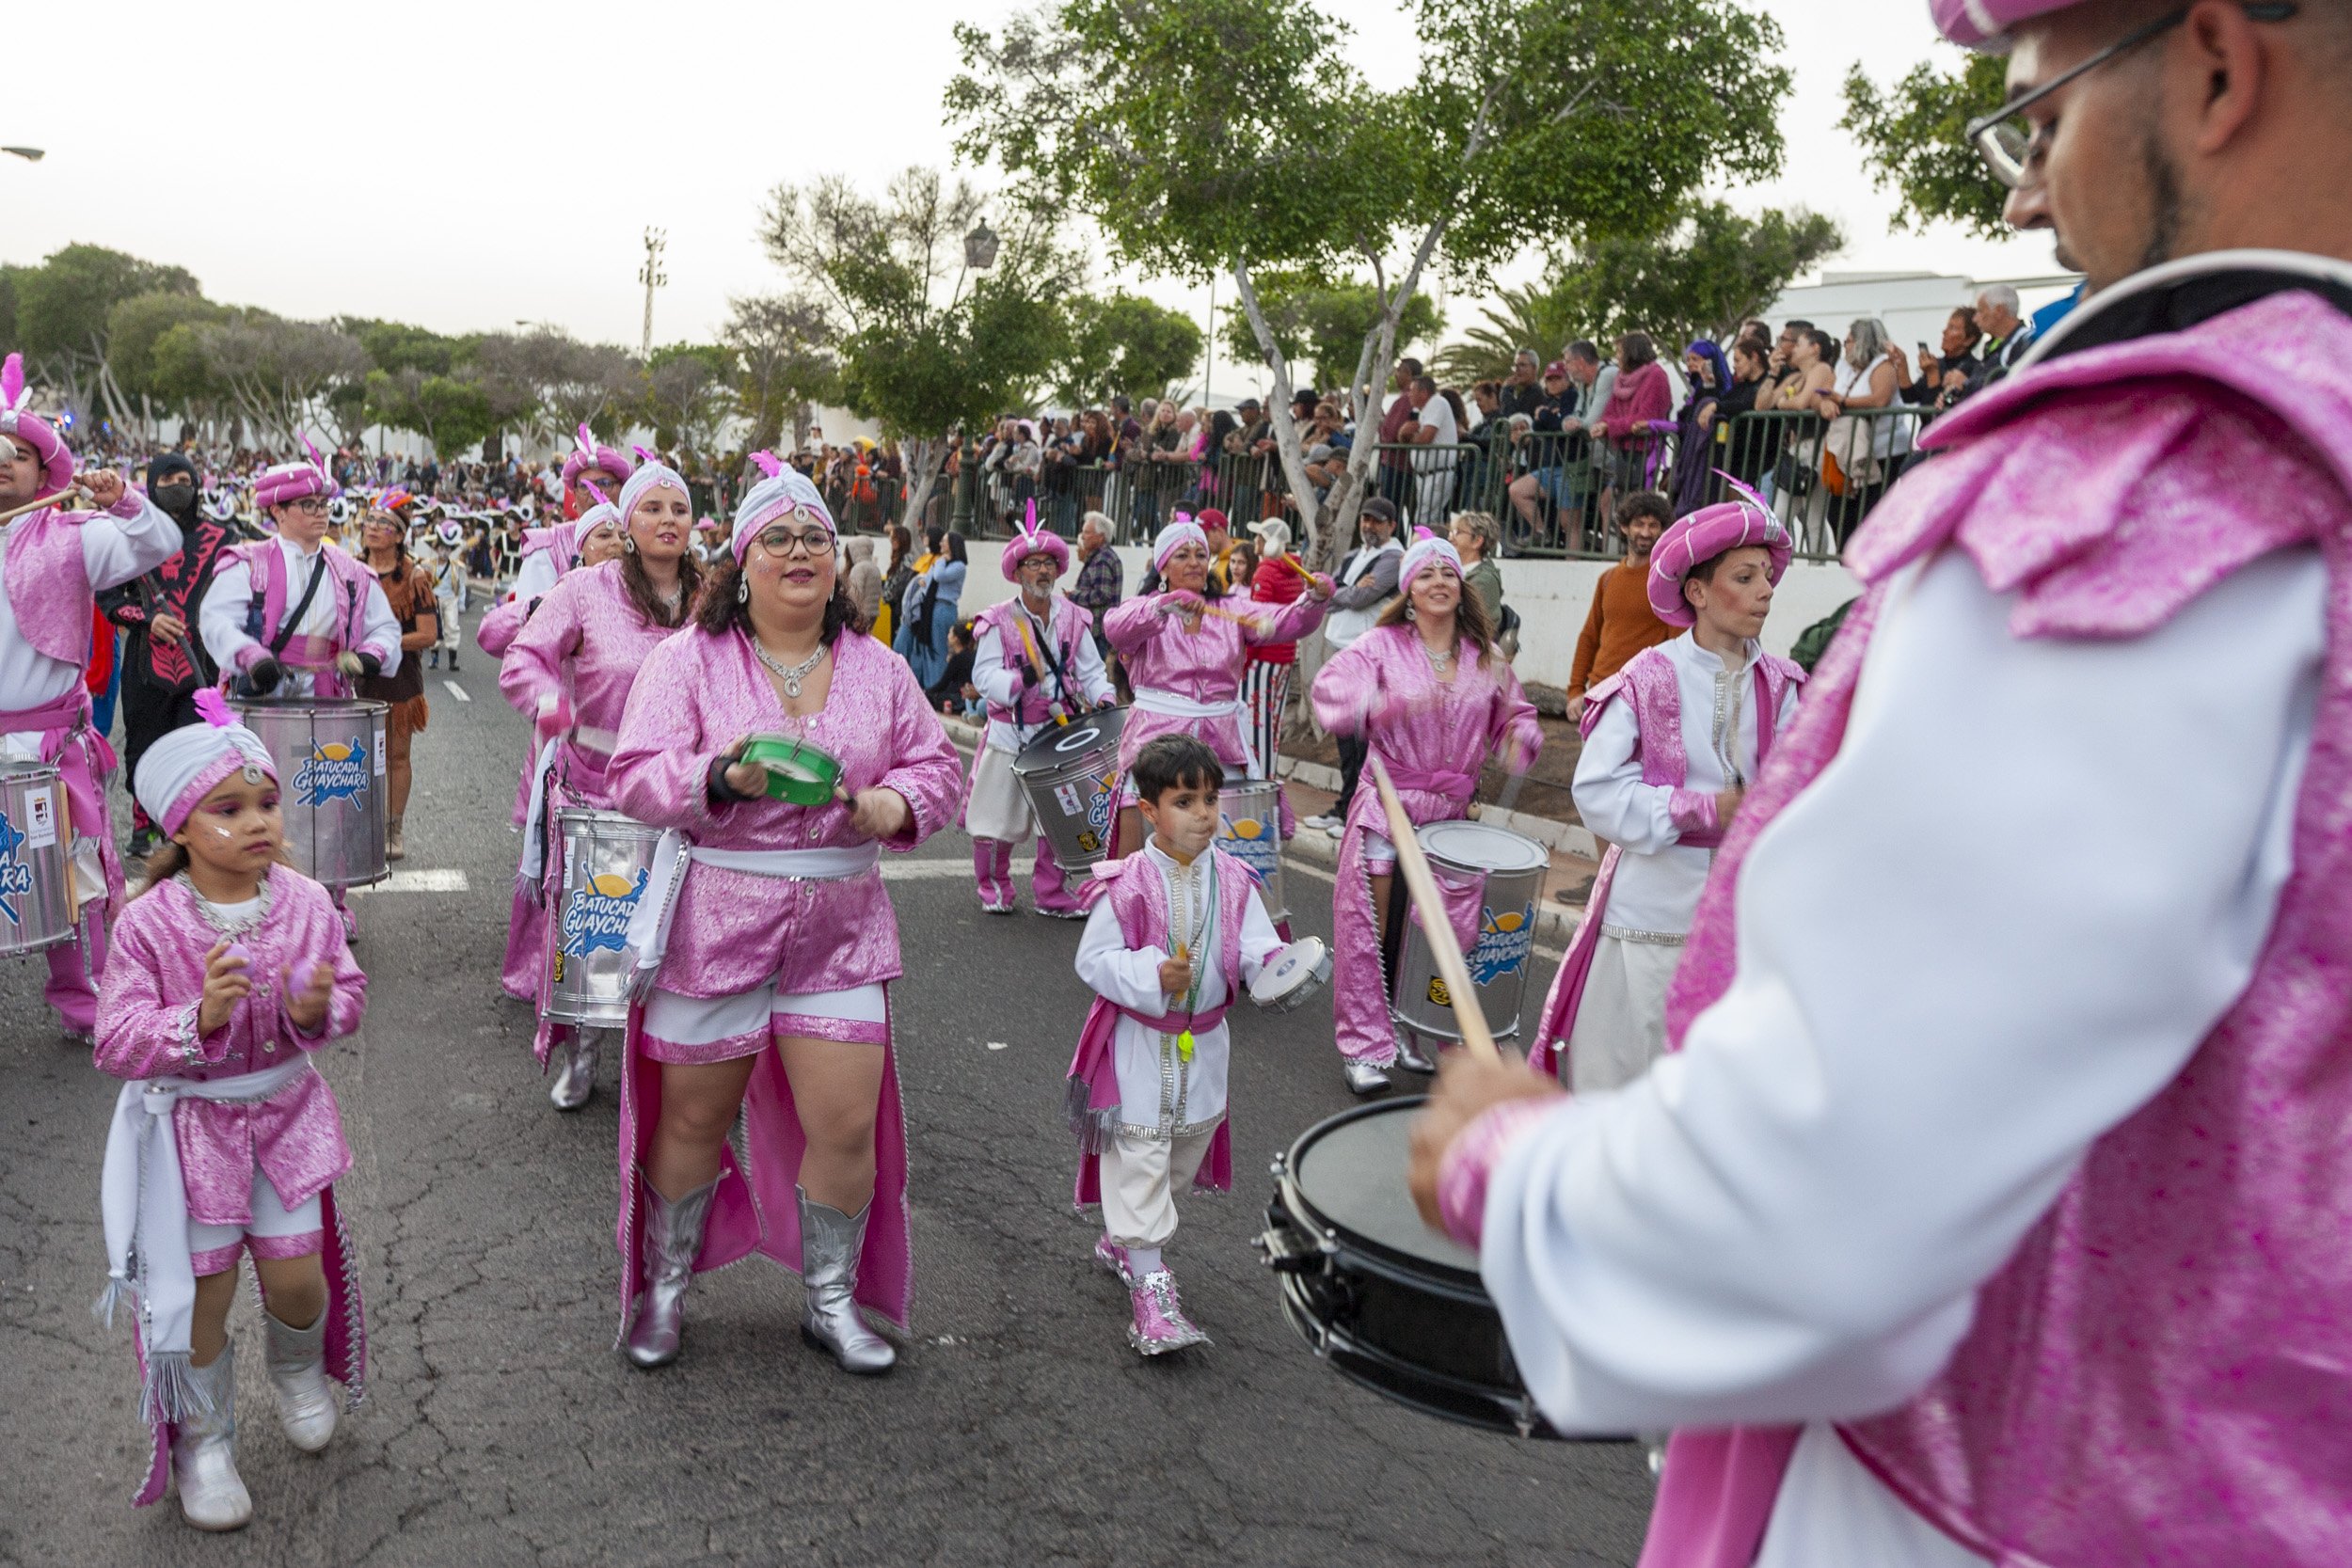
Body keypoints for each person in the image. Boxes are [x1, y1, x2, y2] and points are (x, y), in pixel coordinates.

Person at [1409, 0, 2352, 1559]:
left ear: (2215, 65)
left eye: (2040, 119)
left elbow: (1821, 1205)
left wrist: (1522, 1174)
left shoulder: (2145, 495)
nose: (2024, 197)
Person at [605, 457, 964, 1374]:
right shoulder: (686, 658)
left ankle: (832, 1299)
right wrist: (714, 777)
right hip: (716, 921)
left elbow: (937, 767)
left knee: (845, 1125)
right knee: (690, 1119)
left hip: (842, 929)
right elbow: (635, 773)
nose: (799, 550)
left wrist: (896, 803)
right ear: (742, 558)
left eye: (815, 537)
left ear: (835, 564)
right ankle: (668, 1286)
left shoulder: (878, 667)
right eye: (778, 536)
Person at [94, 699, 369, 1528]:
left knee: (296, 1277)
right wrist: (198, 1019)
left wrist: (319, 1004)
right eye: (229, 808)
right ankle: (204, 1441)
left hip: (286, 1117)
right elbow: (115, 1040)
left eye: (267, 803)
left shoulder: (309, 900)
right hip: (191, 1140)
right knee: (203, 1295)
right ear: (180, 825)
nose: (257, 822)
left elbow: (347, 994)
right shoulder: (145, 924)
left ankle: (294, 1370)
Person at [1532, 498, 1803, 1093]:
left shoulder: (1784, 686)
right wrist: (1704, 809)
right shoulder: (1646, 678)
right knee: (1638, 1071)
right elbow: (1599, 791)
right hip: (1652, 909)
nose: (1765, 591)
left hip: (1746, 909)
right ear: (1698, 593)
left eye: (1767, 577)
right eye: (1744, 576)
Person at [1067, 734, 1287, 1353]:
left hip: (1205, 1049)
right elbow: (1095, 960)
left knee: (1177, 1160)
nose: (1204, 813)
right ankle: (1152, 1299)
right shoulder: (1129, 883)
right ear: (1149, 810)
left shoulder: (1237, 879)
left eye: (1211, 799)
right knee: (1141, 1156)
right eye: (1185, 800)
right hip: (1141, 1045)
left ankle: (1124, 1241)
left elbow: (1255, 947)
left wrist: (1278, 967)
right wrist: (1149, 976)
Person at [497, 462, 700, 1109]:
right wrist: (551, 702)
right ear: (629, 524)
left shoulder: (716, 597)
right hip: (595, 785)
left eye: (679, 508)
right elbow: (523, 656)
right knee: (596, 924)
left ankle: (675, 1060)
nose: (668, 519)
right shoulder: (586, 589)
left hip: (685, 791)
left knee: (680, 929)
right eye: (653, 509)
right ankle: (583, 1052)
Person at [1310, 531, 1541, 1094]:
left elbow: (1516, 715)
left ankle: (1414, 1027)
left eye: (1448, 574)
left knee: (1437, 934)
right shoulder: (1380, 646)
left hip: (1450, 820)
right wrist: (1376, 702)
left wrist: (1519, 737)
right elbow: (1330, 690)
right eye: (1426, 574)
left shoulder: (1484, 658)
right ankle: (1364, 1046)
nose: (1439, 582)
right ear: (1409, 590)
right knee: (1374, 930)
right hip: (1387, 806)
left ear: (1462, 590)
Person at [0, 355, 182, 1036]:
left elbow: (160, 541)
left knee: (71, 878)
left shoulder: (74, 538)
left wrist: (127, 501)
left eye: (18, 454)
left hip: (46, 741)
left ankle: (86, 1000)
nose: (4, 463)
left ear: (45, 473)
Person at [1102, 515, 1331, 859]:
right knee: (1135, 810)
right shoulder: (1145, 609)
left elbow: (1286, 621)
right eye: (1182, 555)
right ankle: (1132, 902)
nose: (1194, 561)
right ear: (1162, 568)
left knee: (1232, 829)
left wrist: (1313, 599)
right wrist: (1164, 606)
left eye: (1199, 554)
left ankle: (1227, 902)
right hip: (1156, 736)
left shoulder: (1229, 608)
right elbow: (1115, 628)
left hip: (1221, 737)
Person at [964, 506, 1117, 915]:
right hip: (1010, 734)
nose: (1042, 571)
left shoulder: (1072, 617)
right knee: (997, 821)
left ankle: (1052, 893)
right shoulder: (998, 620)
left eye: (1049, 562)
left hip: (1059, 734)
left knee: (1062, 819)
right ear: (1018, 573)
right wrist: (1015, 685)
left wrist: (1104, 696)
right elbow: (983, 675)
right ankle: (993, 886)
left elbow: (1090, 671)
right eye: (1033, 564)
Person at [102, 451, 234, 862]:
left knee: (197, 748)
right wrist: (147, 619)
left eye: (184, 477)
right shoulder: (131, 536)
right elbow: (107, 596)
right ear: (151, 485)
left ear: (196, 484)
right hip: (145, 664)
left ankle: (188, 829)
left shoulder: (221, 537)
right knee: (144, 746)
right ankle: (143, 826)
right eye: (167, 479)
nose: (176, 485)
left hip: (203, 663)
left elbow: (238, 591)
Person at [1302, 498, 1404, 835]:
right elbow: (1324, 591)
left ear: (1391, 525)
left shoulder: (1393, 558)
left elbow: (1358, 598)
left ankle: (1357, 813)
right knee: (1346, 738)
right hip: (1342, 651)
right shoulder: (1352, 557)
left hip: (1370, 658)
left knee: (1363, 740)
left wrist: (1338, 592)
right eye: (1365, 520)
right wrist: (1340, 591)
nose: (1369, 526)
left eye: (1376, 521)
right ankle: (1344, 807)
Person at [357, 506, 440, 863]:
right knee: (355, 758)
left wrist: (383, 645)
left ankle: (393, 828)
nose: (373, 528)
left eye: (384, 524)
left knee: (396, 755)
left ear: (400, 535)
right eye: (370, 521)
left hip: (399, 679)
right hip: (356, 677)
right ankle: (360, 827)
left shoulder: (414, 577)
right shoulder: (352, 570)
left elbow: (428, 635)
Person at [1566, 493, 1677, 723]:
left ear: (1663, 530)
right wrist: (1575, 690)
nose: (1646, 533)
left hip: (1643, 697)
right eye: (1639, 524)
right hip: (1600, 692)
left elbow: (1678, 649)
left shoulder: (1667, 583)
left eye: (1653, 525)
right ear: (1625, 527)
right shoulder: (1607, 579)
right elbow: (1589, 636)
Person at [1237, 517, 1311, 780]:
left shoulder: (1266, 571)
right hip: (1285, 654)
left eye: (1259, 537)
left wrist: (1247, 661)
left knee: (1257, 723)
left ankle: (1260, 780)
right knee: (1272, 722)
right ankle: (1268, 775)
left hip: (1264, 658)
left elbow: (1259, 622)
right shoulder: (1293, 571)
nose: (1254, 542)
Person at [893, 527, 966, 690]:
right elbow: (926, 580)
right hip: (932, 608)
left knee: (938, 649)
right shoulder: (942, 562)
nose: (941, 544)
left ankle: (936, 687)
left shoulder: (958, 566)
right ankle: (927, 686)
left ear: (953, 545)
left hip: (944, 608)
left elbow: (939, 576)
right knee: (927, 648)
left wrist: (939, 562)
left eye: (945, 542)